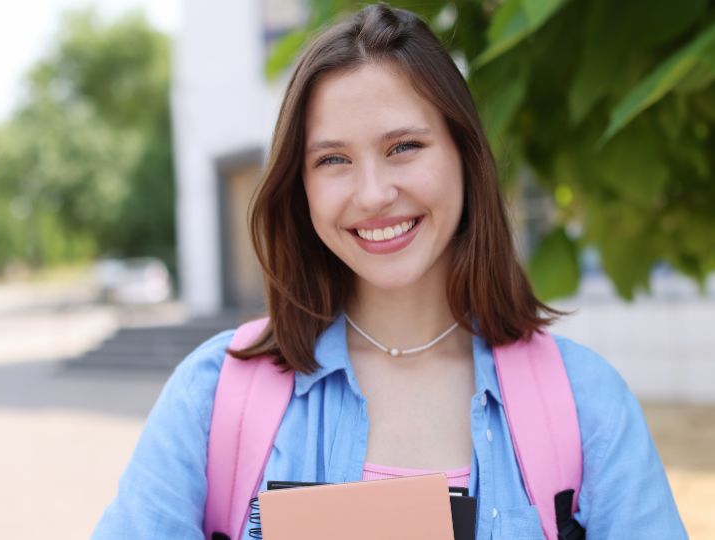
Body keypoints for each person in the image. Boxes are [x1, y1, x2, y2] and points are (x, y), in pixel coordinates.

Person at [93, 4, 686, 539]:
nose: (373, 194)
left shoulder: (586, 404)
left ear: (464, 156)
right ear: (298, 188)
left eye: (404, 146)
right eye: (333, 160)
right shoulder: (212, 397)